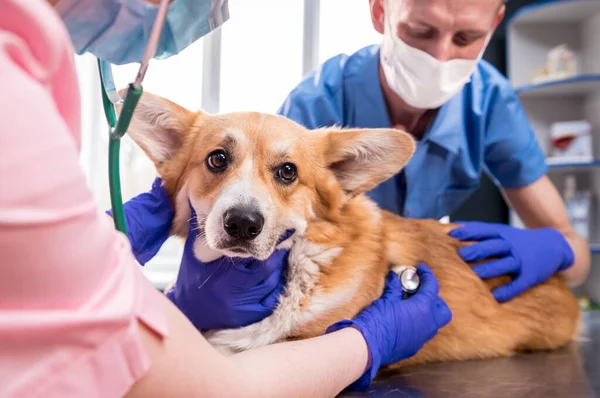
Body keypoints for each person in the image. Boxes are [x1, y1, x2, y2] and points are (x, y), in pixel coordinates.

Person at [0, 1, 452, 397]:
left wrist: (92, 247)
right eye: (218, 161)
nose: (244, 208)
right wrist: (369, 340)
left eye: (285, 172)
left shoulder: (24, 70)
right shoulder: (14, 99)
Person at [276, 0, 591, 303]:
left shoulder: (489, 102)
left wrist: (554, 250)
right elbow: (269, 245)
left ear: (494, 25)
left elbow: (578, 257)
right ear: (379, 10)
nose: (441, 57)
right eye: (420, 31)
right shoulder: (315, 105)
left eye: (466, 38)